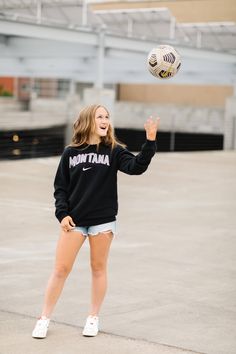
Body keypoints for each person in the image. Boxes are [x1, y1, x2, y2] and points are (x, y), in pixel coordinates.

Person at [32, 104, 159, 339]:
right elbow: (60, 187)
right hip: (75, 220)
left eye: (107, 117)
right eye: (100, 116)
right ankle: (44, 319)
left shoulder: (114, 150)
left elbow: (136, 167)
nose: (105, 120)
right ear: (88, 121)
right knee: (60, 269)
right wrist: (62, 214)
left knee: (98, 268)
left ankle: (93, 318)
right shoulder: (71, 153)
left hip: (103, 221)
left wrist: (149, 141)